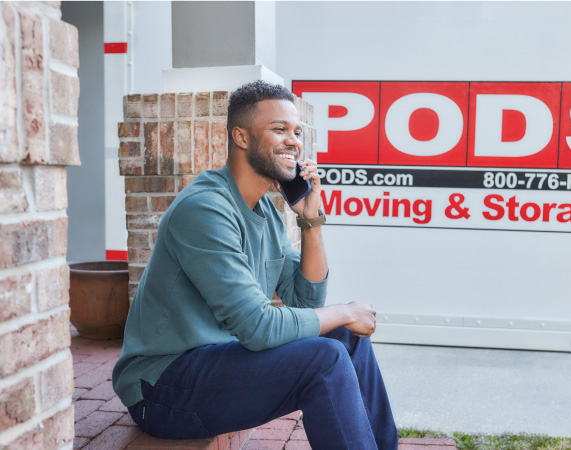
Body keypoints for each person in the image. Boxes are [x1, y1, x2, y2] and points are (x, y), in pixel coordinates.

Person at [112, 80, 398, 450]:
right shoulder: (205, 209)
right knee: (324, 358)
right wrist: (344, 310)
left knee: (346, 339)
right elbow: (258, 327)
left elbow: (305, 302)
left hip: (216, 364)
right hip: (162, 388)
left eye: (296, 132)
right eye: (279, 130)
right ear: (241, 137)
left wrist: (310, 220)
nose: (293, 141)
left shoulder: (266, 210)